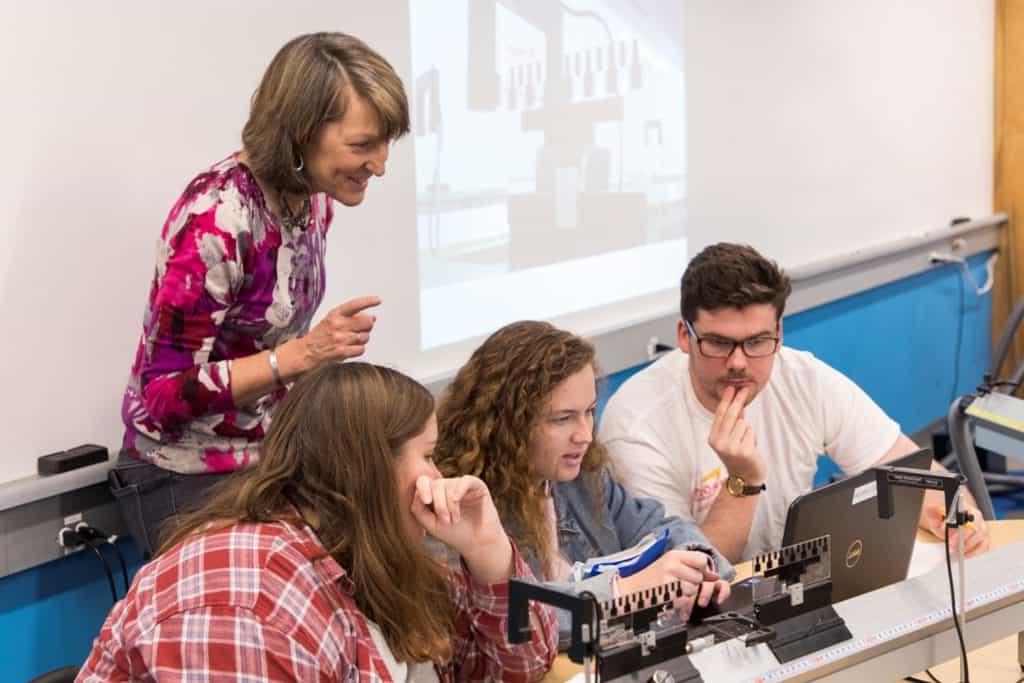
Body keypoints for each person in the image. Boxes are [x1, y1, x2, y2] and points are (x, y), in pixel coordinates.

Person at [110, 32, 410, 556]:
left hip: (262, 458)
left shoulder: (313, 201)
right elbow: (162, 396)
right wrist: (302, 355)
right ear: (300, 133)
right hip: (184, 475)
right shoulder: (217, 220)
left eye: (386, 143)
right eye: (363, 145)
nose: (380, 165)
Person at [80, 362, 558, 682]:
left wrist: (490, 554)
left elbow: (524, 664)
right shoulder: (245, 596)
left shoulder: (361, 552)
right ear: (367, 467)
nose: (438, 477)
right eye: (428, 457)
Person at [599, 242, 992, 563]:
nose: (738, 362)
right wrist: (741, 481)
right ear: (684, 336)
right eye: (718, 343)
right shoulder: (637, 424)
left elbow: (912, 474)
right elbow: (689, 580)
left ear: (779, 333)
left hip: (789, 588)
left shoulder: (802, 378)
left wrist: (956, 513)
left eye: (756, 342)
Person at [434, 321, 732, 628]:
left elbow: (661, 527)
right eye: (562, 419)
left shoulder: (582, 476)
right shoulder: (462, 504)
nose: (585, 435)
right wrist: (623, 592)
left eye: (589, 411)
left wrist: (697, 565)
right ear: (506, 424)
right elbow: (508, 616)